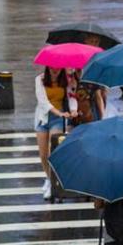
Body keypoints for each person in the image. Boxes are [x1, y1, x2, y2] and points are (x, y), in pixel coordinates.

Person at [34, 67, 77, 200]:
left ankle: (53, 184)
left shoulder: (66, 81)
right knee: (43, 154)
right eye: (53, 68)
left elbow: (71, 97)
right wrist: (59, 112)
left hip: (57, 121)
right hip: (43, 118)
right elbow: (43, 102)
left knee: (53, 153)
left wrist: (74, 110)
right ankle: (48, 178)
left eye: (58, 68)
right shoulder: (39, 79)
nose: (55, 70)